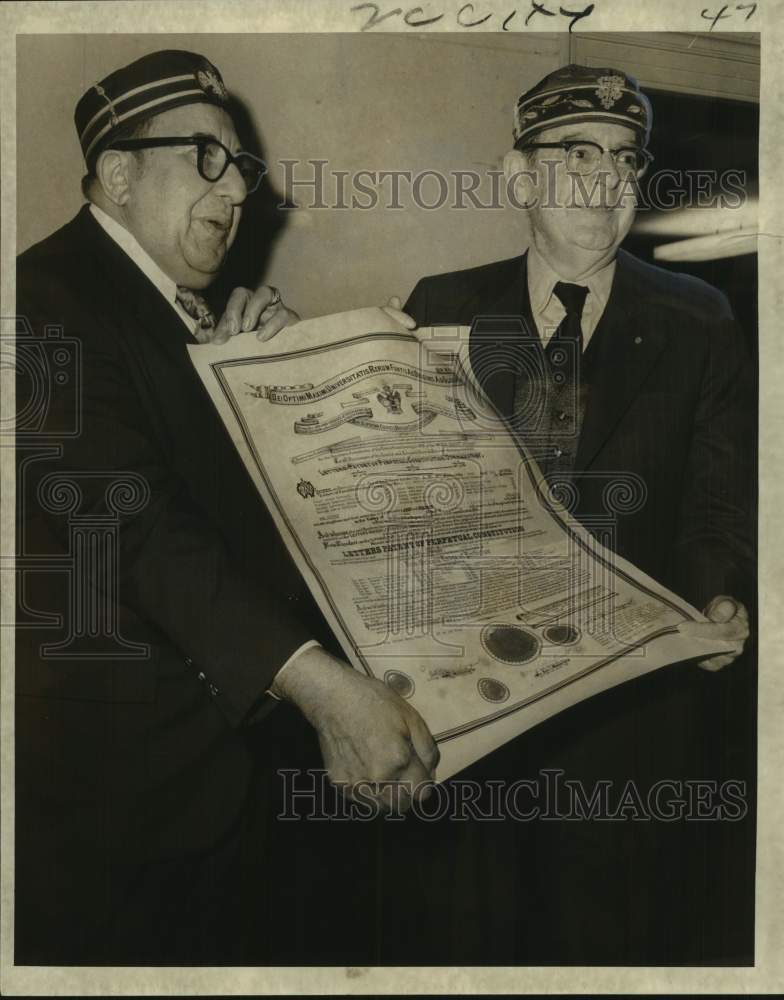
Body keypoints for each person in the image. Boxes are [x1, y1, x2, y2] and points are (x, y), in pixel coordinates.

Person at [15, 49, 438, 965]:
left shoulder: (179, 320)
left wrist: (261, 387)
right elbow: (132, 525)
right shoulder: (40, 299)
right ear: (118, 174)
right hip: (116, 811)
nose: (237, 189)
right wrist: (325, 689)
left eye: (240, 166)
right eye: (206, 156)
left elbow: (243, 526)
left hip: (220, 792)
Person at [392, 63, 755, 964]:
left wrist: (717, 597)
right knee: (465, 941)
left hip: (627, 724)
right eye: (576, 152)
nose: (606, 179)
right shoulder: (440, 307)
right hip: (471, 717)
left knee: (608, 946)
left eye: (627, 159)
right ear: (520, 176)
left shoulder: (700, 317)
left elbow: (715, 505)